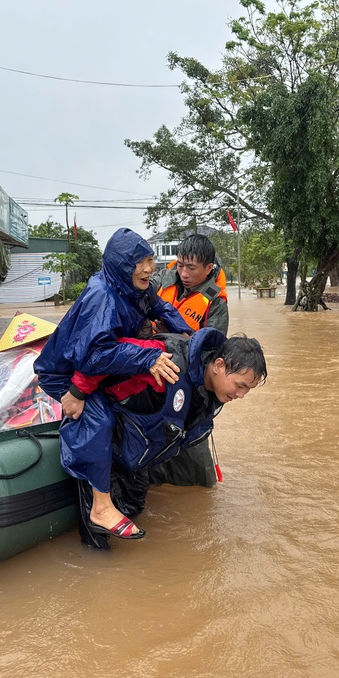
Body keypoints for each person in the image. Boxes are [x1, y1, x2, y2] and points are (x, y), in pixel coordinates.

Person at [34, 228, 192, 540]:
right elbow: (93, 356)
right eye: (140, 262)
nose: (149, 268)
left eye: (150, 260)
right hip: (68, 371)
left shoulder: (135, 288)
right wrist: (78, 392)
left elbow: (161, 309)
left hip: (102, 364)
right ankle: (101, 507)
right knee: (100, 418)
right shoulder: (101, 296)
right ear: (122, 265)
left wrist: (191, 335)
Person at [71, 329, 267, 544]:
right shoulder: (165, 358)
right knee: (97, 542)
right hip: (106, 446)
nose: (241, 396)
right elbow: (98, 353)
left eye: (248, 390)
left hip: (136, 454)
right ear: (219, 365)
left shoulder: (210, 395)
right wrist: (77, 393)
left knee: (134, 508)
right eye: (240, 386)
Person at [150, 233, 229, 486]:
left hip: (188, 385)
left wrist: (173, 335)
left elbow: (212, 351)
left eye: (191, 268)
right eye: (180, 265)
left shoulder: (215, 302)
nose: (184, 273)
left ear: (208, 269)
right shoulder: (161, 281)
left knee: (194, 457)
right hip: (152, 374)